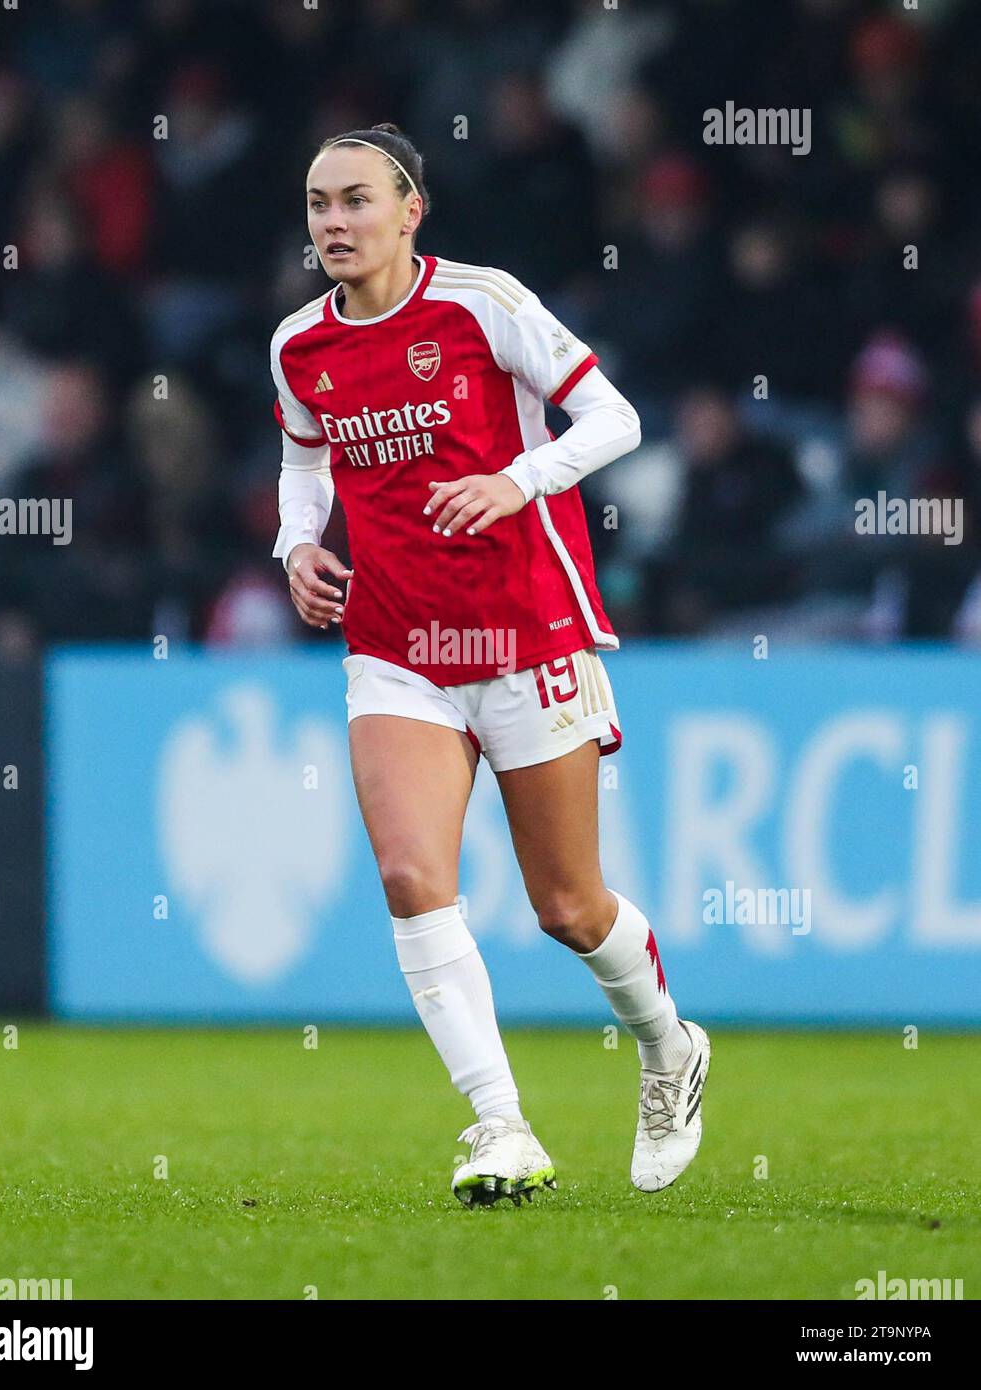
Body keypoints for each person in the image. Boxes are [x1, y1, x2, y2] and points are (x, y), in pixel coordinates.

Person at [270, 123, 710, 1206]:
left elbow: (615, 417)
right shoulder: (297, 345)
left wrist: (520, 478)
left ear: (410, 209)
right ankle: (500, 1125)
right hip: (395, 647)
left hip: (525, 631)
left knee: (567, 905)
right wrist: (297, 544)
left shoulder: (482, 301)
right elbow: (301, 457)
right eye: (321, 203)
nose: (335, 222)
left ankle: (668, 1049)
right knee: (412, 880)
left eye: (357, 201)